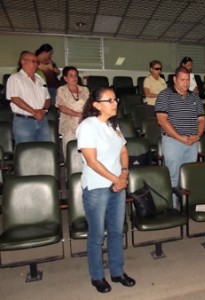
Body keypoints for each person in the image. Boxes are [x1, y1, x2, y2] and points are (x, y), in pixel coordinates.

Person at [76, 87, 135, 294]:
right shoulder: (87, 126)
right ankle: (98, 276)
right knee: (97, 234)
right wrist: (116, 179)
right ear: (96, 105)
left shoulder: (113, 126)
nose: (115, 103)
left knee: (117, 231)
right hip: (97, 188)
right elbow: (92, 161)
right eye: (109, 100)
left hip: (117, 185)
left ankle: (117, 272)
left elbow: (124, 150)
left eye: (115, 99)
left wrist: (124, 174)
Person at [155, 66, 205, 207]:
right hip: (173, 142)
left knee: (188, 176)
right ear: (174, 79)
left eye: (188, 80)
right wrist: (179, 137)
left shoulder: (194, 97)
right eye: (182, 80)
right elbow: (162, 120)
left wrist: (198, 135)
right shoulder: (165, 95)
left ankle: (186, 206)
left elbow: (201, 119)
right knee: (173, 176)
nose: (186, 83)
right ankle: (173, 207)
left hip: (192, 142)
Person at [6, 51, 51, 145]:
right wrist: (34, 112)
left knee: (45, 151)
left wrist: (43, 110)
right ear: (23, 61)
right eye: (33, 61)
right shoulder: (15, 78)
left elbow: (47, 98)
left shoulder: (40, 79)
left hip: (42, 120)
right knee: (26, 154)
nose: (36, 64)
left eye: (37, 62)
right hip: (24, 122)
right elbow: (15, 98)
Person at [56, 66, 90, 156]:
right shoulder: (61, 90)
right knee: (70, 153)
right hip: (69, 126)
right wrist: (79, 114)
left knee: (85, 153)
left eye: (75, 75)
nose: (74, 78)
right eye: (71, 75)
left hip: (83, 124)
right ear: (65, 78)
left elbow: (89, 105)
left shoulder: (85, 89)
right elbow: (62, 107)